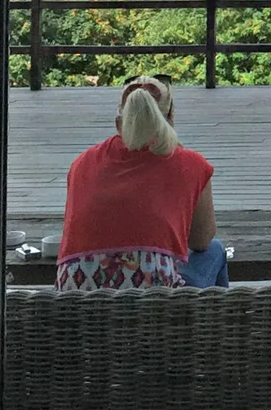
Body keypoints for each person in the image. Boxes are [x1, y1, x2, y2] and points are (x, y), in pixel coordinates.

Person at [55, 75, 229, 290]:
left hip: (76, 302)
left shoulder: (82, 163)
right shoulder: (189, 164)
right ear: (171, 116)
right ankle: (217, 322)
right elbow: (200, 241)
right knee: (214, 250)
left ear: (119, 121)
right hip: (156, 306)